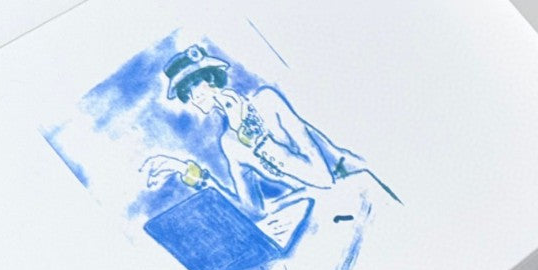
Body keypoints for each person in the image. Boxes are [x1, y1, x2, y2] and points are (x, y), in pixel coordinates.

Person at [141, 44, 397, 254]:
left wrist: (255, 140)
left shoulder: (267, 101)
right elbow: (252, 212)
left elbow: (322, 178)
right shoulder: (229, 143)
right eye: (186, 92)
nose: (193, 96)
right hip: (329, 209)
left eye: (196, 84)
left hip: (358, 190)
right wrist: (191, 173)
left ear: (212, 79)